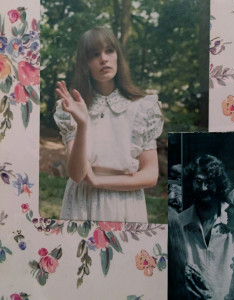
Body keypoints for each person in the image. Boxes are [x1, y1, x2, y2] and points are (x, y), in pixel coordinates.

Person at [53, 27, 164, 222]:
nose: (103, 59)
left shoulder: (143, 107)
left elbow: (150, 174)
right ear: (85, 64)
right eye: (95, 54)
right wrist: (83, 124)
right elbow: (77, 175)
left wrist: (98, 181)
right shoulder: (72, 108)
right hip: (82, 204)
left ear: (118, 57)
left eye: (109, 51)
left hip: (126, 204)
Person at [176, 154, 234, 300]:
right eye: (198, 182)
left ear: (219, 183)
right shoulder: (179, 223)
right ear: (191, 183)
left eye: (209, 182)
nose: (203, 188)